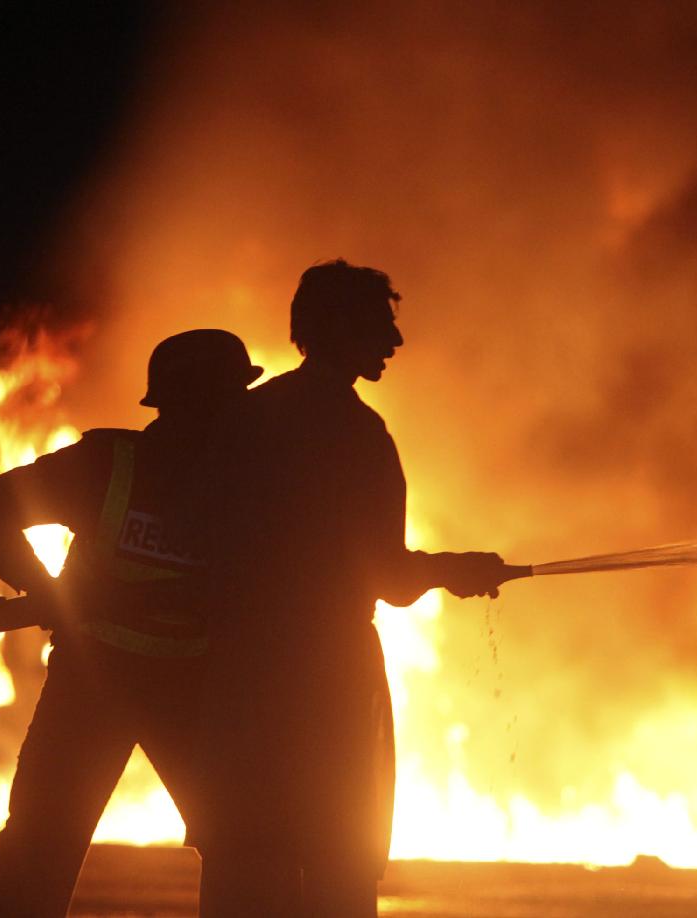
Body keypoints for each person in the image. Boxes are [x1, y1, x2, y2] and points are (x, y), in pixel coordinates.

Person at [195, 260, 512, 917]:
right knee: (339, 860)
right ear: (336, 328)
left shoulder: (245, 419)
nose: (394, 343)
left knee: (245, 861)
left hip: (234, 673)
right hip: (328, 677)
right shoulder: (360, 436)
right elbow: (388, 579)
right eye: (380, 326)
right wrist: (456, 569)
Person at [0, 329, 263, 917]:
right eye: (231, 395)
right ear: (200, 399)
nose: (243, 410)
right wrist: (47, 591)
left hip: (157, 686)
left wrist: (47, 594)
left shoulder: (243, 479)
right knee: (41, 850)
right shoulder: (110, 462)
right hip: (116, 686)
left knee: (244, 848)